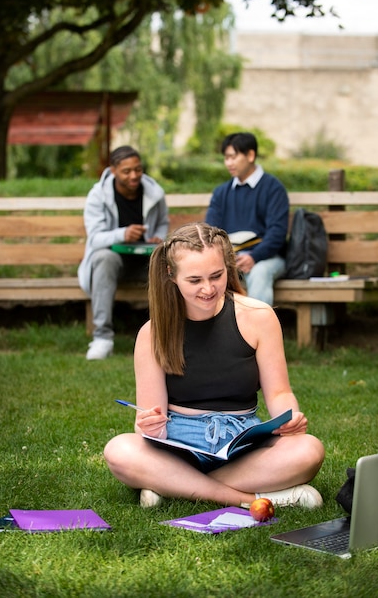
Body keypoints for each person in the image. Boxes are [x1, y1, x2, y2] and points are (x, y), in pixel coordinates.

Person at [104, 222, 325, 509]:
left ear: (228, 268)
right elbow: (151, 422)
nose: (208, 289)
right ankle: (250, 499)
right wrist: (149, 425)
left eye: (216, 276)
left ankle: (173, 485)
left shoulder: (259, 317)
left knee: (309, 450)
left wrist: (291, 417)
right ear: (171, 275)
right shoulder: (151, 333)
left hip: (243, 442)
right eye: (194, 280)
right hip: (179, 443)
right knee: (119, 450)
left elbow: (280, 392)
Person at [78, 145, 169, 360]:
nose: (134, 175)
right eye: (127, 171)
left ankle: (165, 335)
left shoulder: (155, 193)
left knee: (169, 262)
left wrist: (157, 237)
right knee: (104, 257)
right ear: (113, 171)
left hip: (145, 260)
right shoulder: (98, 196)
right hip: (113, 264)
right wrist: (122, 234)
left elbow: (163, 223)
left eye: (138, 169)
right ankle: (102, 338)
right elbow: (95, 238)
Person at [205, 132, 289, 306]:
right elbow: (210, 232)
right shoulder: (221, 193)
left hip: (267, 258)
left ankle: (258, 329)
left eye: (233, 157)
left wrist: (254, 256)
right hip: (230, 259)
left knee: (260, 272)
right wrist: (226, 258)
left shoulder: (273, 189)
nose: (228, 163)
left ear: (250, 155)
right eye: (226, 158)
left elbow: (277, 233)